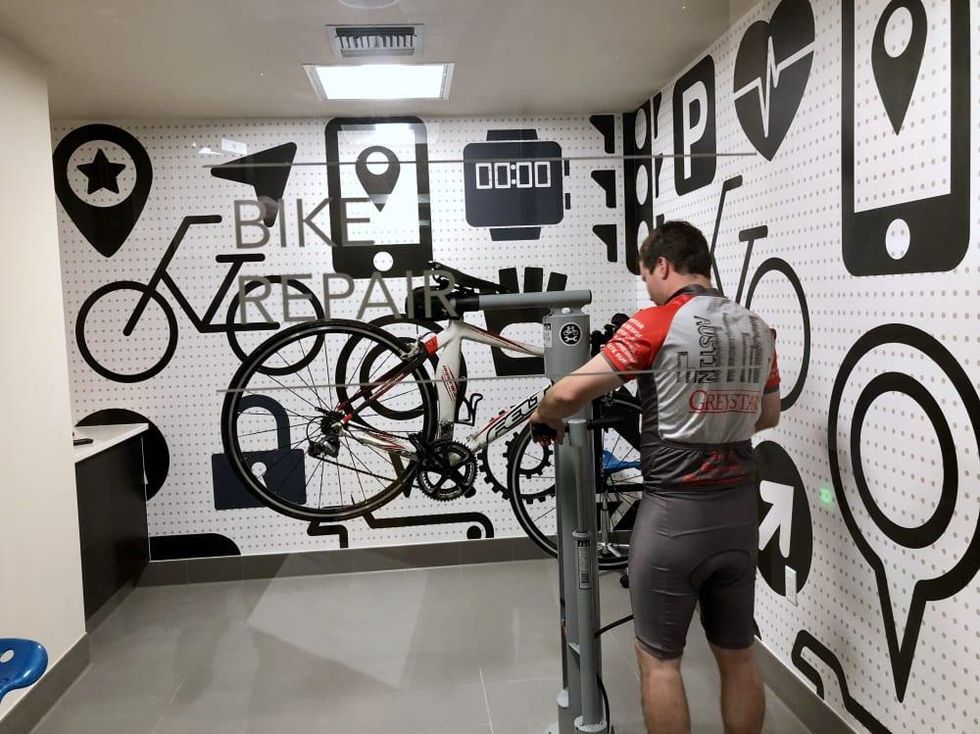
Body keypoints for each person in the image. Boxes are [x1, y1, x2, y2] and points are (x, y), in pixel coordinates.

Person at [528, 220, 780, 734]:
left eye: (646, 276)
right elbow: (768, 415)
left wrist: (544, 414)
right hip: (739, 515)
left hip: (674, 518)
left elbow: (570, 392)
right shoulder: (756, 327)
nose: (647, 289)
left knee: (660, 661)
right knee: (738, 654)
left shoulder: (655, 323)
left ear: (662, 265)